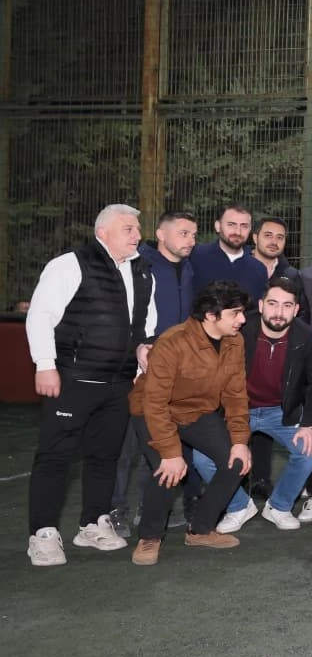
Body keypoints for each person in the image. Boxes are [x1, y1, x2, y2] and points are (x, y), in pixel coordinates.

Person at [25, 203, 155, 566]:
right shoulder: (69, 264)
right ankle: (43, 534)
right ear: (103, 233)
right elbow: (40, 316)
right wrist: (45, 366)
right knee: (55, 457)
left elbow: (145, 324)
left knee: (105, 457)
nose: (137, 235)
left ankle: (93, 524)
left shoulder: (144, 272)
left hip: (119, 384)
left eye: (137, 229)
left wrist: (142, 354)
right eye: (128, 229)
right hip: (72, 380)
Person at [127, 280, 255, 565]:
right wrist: (170, 453)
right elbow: (155, 403)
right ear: (210, 315)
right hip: (153, 412)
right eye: (235, 313)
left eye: (242, 312)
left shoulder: (235, 341)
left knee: (237, 461)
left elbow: (235, 395)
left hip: (197, 412)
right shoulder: (173, 342)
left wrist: (239, 442)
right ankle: (149, 537)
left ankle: (200, 529)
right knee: (169, 470)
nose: (242, 320)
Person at [110, 211, 198, 536]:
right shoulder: (138, 265)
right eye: (183, 233)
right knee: (125, 444)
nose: (191, 240)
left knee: (159, 440)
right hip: (137, 367)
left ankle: (150, 508)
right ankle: (115, 511)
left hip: (174, 370)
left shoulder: (190, 268)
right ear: (161, 234)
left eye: (194, 234)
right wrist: (137, 351)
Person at [227, 277, 312, 531]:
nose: (279, 312)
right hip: (239, 410)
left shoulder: (308, 338)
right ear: (261, 305)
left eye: (287, 305)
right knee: (204, 457)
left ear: (296, 309)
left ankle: (279, 506)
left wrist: (308, 424)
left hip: (281, 412)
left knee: (308, 451)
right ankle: (238, 506)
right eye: (272, 303)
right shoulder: (239, 330)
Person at [188, 204, 262, 298]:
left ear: (250, 229)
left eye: (244, 226)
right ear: (218, 226)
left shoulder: (258, 269)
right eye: (231, 225)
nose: (238, 232)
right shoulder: (194, 257)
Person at [245, 217, 294, 300]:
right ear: (255, 238)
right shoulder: (236, 268)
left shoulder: (292, 276)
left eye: (279, 237)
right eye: (268, 235)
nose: (274, 242)